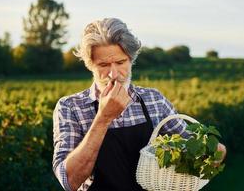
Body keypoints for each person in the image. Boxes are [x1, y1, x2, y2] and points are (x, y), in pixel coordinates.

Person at [52, 18, 226, 191]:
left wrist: (213, 150)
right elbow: (69, 182)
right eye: (103, 65)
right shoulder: (70, 107)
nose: (113, 74)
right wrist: (103, 118)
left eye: (120, 63)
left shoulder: (154, 100)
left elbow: (196, 147)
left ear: (131, 59)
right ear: (90, 65)